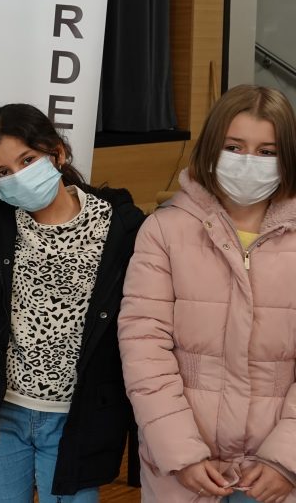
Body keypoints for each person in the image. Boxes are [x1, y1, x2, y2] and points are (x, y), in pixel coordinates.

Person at [119, 84, 296, 503]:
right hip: (184, 472)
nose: (248, 161)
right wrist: (182, 454)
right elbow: (144, 348)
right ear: (212, 148)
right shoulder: (164, 230)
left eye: (267, 152)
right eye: (234, 147)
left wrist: (286, 459)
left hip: (275, 477)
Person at [0, 103, 145, 502]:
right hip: (4, 417)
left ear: (58, 153)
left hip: (77, 419)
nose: (18, 177)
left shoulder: (120, 226)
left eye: (27, 160)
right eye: (3, 172)